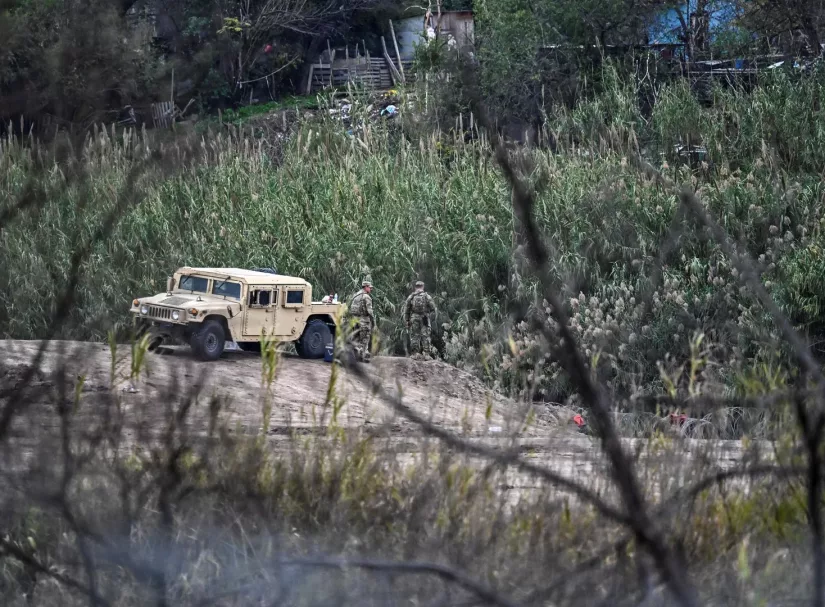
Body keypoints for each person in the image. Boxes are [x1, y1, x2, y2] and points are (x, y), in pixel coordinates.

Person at [401, 280, 436, 360]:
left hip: (414, 318)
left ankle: (415, 354)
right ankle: (426, 354)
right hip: (424, 318)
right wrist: (429, 316)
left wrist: (406, 320)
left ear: (415, 287)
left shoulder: (411, 296)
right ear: (423, 287)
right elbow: (433, 308)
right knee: (425, 335)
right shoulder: (427, 296)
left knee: (414, 336)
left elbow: (406, 310)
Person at [348, 279, 375, 362]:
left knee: (355, 339)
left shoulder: (356, 295)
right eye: (369, 288)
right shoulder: (366, 297)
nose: (370, 289)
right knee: (364, 340)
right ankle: (362, 358)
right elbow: (370, 311)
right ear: (366, 287)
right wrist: (373, 322)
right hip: (364, 321)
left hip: (355, 320)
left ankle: (352, 357)